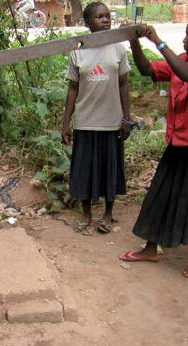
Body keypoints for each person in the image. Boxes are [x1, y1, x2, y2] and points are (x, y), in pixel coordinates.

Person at [120, 12, 188, 278]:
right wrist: (135, 43)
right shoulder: (183, 59)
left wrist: (159, 42)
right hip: (179, 141)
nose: (184, 38)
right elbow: (147, 70)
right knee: (160, 192)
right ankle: (151, 248)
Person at [62, 2, 132, 235]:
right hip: (85, 120)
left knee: (109, 168)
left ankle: (108, 213)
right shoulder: (78, 51)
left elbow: (123, 84)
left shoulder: (118, 49)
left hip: (111, 120)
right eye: (99, 17)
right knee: (84, 169)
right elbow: (73, 89)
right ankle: (86, 213)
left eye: (107, 16)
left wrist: (127, 118)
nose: (105, 20)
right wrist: (66, 123)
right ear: (87, 22)